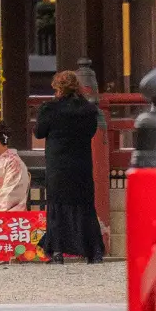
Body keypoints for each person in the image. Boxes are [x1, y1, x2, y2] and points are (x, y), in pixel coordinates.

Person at [36, 70, 105, 263]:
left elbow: (39, 132)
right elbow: (91, 132)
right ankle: (93, 250)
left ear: (57, 88)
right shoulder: (88, 109)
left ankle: (57, 250)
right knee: (84, 205)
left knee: (58, 205)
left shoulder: (49, 108)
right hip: (81, 161)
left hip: (58, 163)